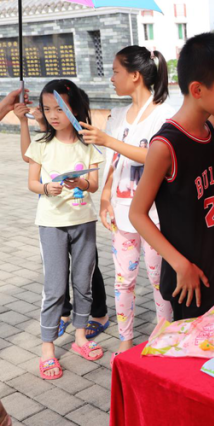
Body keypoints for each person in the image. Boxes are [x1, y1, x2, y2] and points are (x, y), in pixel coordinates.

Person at [129, 32, 214, 320]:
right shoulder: (165, 145)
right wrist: (181, 265)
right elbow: (137, 214)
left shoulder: (208, 132)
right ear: (197, 89)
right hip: (190, 281)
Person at [77, 46, 174, 362]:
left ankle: (164, 333)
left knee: (159, 280)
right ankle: (126, 337)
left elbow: (157, 157)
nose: (112, 78)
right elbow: (113, 162)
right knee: (124, 281)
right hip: (121, 214)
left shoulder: (163, 113)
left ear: (135, 76)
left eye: (116, 71)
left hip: (154, 216)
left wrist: (108, 140)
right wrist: (105, 196)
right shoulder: (117, 116)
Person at [23, 80, 104, 380]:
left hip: (84, 222)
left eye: (59, 108)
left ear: (75, 109)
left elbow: (93, 184)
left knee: (83, 283)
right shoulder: (41, 145)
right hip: (52, 224)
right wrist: (47, 187)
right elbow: (32, 183)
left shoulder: (87, 144)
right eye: (47, 109)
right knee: (55, 288)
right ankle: (47, 350)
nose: (53, 115)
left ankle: (80, 337)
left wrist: (79, 182)